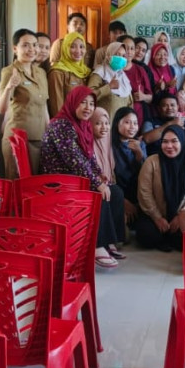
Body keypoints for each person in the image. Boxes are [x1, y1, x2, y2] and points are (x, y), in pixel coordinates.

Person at [40, 86, 124, 268]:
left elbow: (88, 156)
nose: (88, 107)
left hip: (75, 177)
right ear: (72, 103)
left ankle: (110, 241)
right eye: (83, 103)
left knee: (115, 192)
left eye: (91, 104)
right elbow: (74, 160)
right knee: (97, 193)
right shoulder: (61, 125)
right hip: (60, 182)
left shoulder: (82, 125)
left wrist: (100, 175)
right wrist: (96, 183)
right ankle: (97, 246)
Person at [137, 125, 185, 251]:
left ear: (182, 142)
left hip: (184, 216)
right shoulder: (151, 161)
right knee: (146, 235)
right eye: (165, 142)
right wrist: (157, 217)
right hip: (156, 215)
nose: (169, 146)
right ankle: (169, 237)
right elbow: (144, 192)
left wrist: (180, 217)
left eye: (174, 141)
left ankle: (170, 238)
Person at [0, 29, 49, 178]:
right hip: (17, 140)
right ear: (15, 48)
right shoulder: (10, 71)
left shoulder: (41, 73)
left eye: (34, 45)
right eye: (26, 45)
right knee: (18, 187)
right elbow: (2, 109)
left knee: (36, 187)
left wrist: (48, 133)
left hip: (39, 139)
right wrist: (9, 88)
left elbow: (43, 105)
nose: (32, 50)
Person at [90, 106, 128, 257]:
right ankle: (102, 242)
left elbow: (109, 171)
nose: (104, 127)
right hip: (90, 183)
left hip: (103, 182)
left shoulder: (106, 141)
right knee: (104, 196)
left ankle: (113, 240)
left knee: (117, 192)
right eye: (98, 123)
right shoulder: (87, 142)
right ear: (90, 125)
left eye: (106, 123)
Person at [111, 107, 147, 237]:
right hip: (118, 195)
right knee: (123, 237)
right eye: (127, 122)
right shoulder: (110, 146)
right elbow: (110, 179)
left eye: (135, 123)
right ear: (117, 124)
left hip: (137, 196)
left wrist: (139, 154)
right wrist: (123, 201)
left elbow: (146, 177)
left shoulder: (140, 145)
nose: (132, 127)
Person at [48, 31, 92, 117]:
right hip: (66, 124)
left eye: (81, 47)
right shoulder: (57, 72)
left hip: (83, 123)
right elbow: (57, 106)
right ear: (65, 48)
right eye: (72, 46)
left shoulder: (86, 72)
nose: (78, 51)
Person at [88, 41, 133, 120]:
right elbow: (89, 97)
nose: (121, 58)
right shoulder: (100, 73)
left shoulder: (123, 77)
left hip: (120, 126)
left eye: (123, 55)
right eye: (117, 54)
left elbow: (130, 103)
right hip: (102, 124)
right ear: (109, 56)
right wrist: (109, 87)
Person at [118, 35, 153, 127]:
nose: (129, 52)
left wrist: (143, 96)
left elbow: (150, 98)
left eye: (132, 48)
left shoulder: (140, 70)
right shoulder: (113, 69)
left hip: (138, 119)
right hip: (117, 117)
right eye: (126, 48)